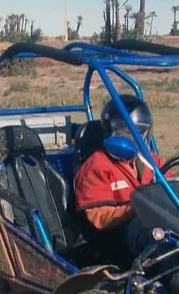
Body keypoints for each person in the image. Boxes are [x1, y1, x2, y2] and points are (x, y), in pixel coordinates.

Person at [73, 94, 171, 254]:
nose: (136, 139)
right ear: (111, 132)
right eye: (128, 133)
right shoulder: (97, 165)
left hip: (150, 225)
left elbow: (172, 183)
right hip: (114, 239)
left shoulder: (149, 159)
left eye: (141, 132)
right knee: (158, 240)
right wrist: (137, 207)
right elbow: (98, 218)